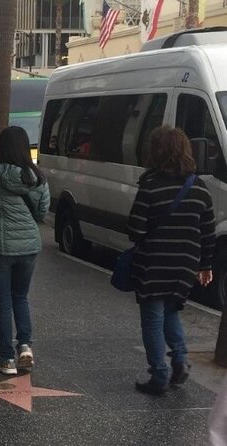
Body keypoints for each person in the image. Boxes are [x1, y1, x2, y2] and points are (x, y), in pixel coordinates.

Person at [126, 126, 215, 396]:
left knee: (153, 318)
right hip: (185, 264)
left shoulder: (150, 185)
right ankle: (180, 360)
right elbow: (208, 232)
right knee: (172, 311)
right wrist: (205, 265)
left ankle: (159, 373)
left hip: (153, 263)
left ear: (156, 152)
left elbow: (135, 229)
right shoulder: (199, 187)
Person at [0, 126, 50, 376]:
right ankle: (25, 346)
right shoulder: (37, 177)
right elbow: (42, 212)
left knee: (3, 304)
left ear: (1, 147)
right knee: (21, 297)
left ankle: (6, 358)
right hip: (29, 246)